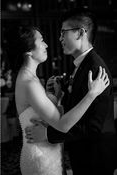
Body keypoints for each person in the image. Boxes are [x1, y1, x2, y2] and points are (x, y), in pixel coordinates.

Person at [26, 8, 117, 175]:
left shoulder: (95, 69)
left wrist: (48, 134)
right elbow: (76, 108)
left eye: (63, 33)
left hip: (95, 156)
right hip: (82, 150)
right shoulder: (80, 64)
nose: (60, 38)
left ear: (80, 33)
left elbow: (92, 127)